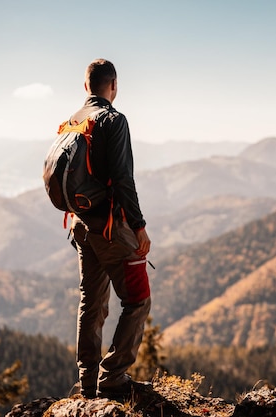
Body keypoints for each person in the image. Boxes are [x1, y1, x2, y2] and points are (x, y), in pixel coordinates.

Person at [68, 58, 152, 400]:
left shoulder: (73, 121)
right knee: (138, 301)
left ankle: (87, 381)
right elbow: (123, 179)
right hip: (110, 228)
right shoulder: (114, 120)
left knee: (92, 300)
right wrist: (139, 226)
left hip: (80, 226)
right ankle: (113, 376)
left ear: (86, 86)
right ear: (113, 86)